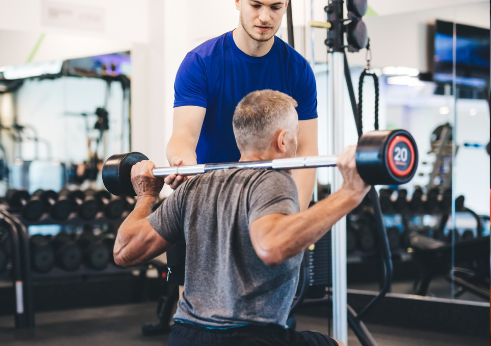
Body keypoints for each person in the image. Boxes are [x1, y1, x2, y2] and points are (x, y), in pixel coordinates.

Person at [114, 90, 370, 346]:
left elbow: (124, 250)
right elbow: (271, 246)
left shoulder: (194, 186)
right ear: (283, 140)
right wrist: (350, 193)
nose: (296, 144)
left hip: (185, 335)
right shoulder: (275, 180)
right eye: (296, 136)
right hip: (250, 337)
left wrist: (146, 196)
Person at [164, 0, 319, 292]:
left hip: (269, 204)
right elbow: (182, 137)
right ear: (238, 0)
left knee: (268, 319)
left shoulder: (298, 70)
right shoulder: (201, 63)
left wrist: (295, 220)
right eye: (256, 5)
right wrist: (181, 165)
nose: (265, 17)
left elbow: (307, 151)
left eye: (275, 7)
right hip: (210, 201)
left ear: (286, 5)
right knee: (199, 312)